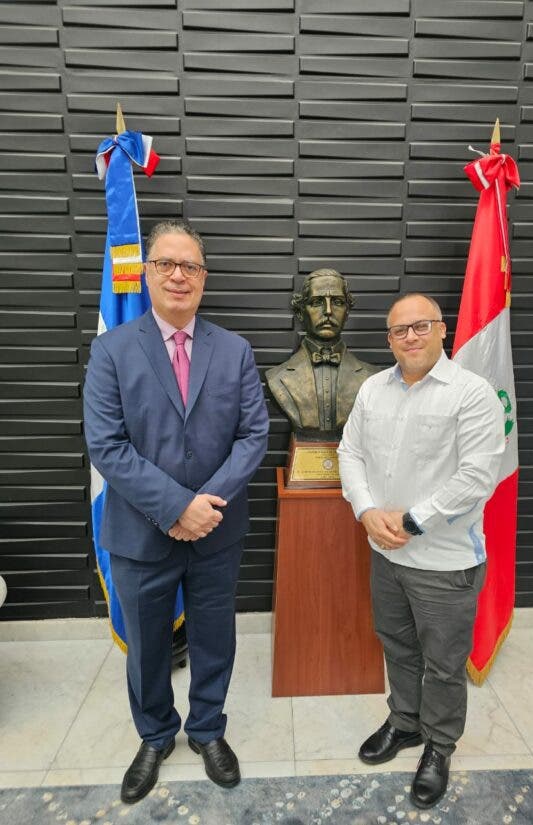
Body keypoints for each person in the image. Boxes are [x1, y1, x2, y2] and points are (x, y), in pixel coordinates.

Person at [83, 220, 269, 804]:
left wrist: (204, 506)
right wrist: (177, 508)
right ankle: (155, 734)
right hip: (141, 532)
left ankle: (208, 729)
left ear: (204, 278)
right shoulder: (112, 348)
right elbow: (106, 444)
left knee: (215, 637)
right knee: (147, 644)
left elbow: (253, 435)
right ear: (148, 273)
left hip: (216, 530)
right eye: (167, 263)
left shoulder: (234, 350)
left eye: (191, 266)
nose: (179, 275)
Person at [337, 293, 505, 809]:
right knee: (397, 646)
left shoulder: (472, 393)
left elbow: (477, 476)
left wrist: (411, 521)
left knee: (444, 664)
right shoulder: (372, 390)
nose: (409, 336)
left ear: (442, 330)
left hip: (444, 561)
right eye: (398, 330)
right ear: (388, 340)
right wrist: (366, 511)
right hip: (386, 553)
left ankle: (438, 745)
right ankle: (405, 722)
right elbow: (350, 453)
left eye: (420, 326)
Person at [266, 268, 377, 437]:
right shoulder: (277, 377)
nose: (328, 311)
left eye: (338, 302)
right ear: (300, 312)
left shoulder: (372, 378)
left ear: (347, 312)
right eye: (317, 302)